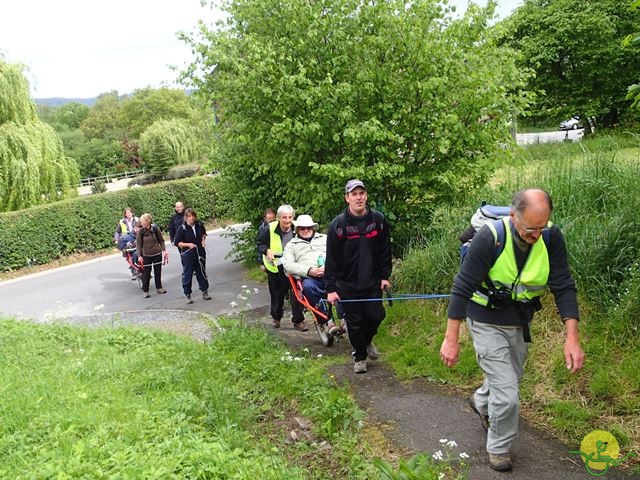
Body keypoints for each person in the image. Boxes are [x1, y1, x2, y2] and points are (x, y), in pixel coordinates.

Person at [439, 189, 585, 472]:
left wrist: (572, 337)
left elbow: (563, 285)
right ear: (513, 216)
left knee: (508, 381)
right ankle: (499, 448)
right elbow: (461, 288)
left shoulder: (551, 237)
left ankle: (481, 400)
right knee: (508, 395)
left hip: (519, 320)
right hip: (484, 319)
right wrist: (451, 338)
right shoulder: (490, 238)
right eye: (531, 229)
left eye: (542, 227)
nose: (537, 235)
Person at [325, 179, 392, 374]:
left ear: (366, 196)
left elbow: (385, 250)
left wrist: (384, 276)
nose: (359, 197)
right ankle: (360, 357)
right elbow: (332, 259)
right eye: (354, 194)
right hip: (347, 284)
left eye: (361, 193)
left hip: (372, 282)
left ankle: (367, 341)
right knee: (354, 323)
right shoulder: (338, 226)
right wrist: (331, 289)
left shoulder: (378, 221)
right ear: (347, 198)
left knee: (377, 316)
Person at [282, 214, 340, 336]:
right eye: (302, 228)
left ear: (313, 227)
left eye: (309, 227)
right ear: (297, 230)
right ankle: (326, 321)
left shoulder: (325, 238)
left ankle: (346, 318)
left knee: (346, 285)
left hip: (331, 274)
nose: (306, 230)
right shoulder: (291, 245)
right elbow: (287, 265)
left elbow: (339, 253)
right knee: (308, 287)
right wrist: (309, 270)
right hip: (310, 278)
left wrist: (329, 266)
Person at [257, 204, 307, 331]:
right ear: (279, 218)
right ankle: (276, 317)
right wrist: (267, 250)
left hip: (293, 265)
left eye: (290, 217)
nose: (287, 220)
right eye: (284, 217)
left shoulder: (298, 227)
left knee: (296, 293)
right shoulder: (270, 228)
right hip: (276, 266)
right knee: (277, 294)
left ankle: (298, 321)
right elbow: (260, 244)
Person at [174, 208, 211, 304]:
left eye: (193, 216)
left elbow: (203, 234)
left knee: (201, 272)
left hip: (200, 252)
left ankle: (204, 291)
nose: (191, 218)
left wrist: (203, 241)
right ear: (186, 218)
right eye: (189, 216)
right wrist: (188, 245)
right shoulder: (182, 228)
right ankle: (188, 294)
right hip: (188, 254)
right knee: (188, 274)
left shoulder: (199, 225)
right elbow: (177, 243)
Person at [136, 213, 169, 298]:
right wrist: (139, 256)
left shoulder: (155, 229)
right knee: (146, 273)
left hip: (157, 254)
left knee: (158, 272)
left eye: (142, 222)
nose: (141, 223)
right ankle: (145, 290)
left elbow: (161, 240)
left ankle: (159, 288)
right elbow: (138, 244)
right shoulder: (141, 231)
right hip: (146, 255)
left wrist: (164, 250)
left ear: (147, 221)